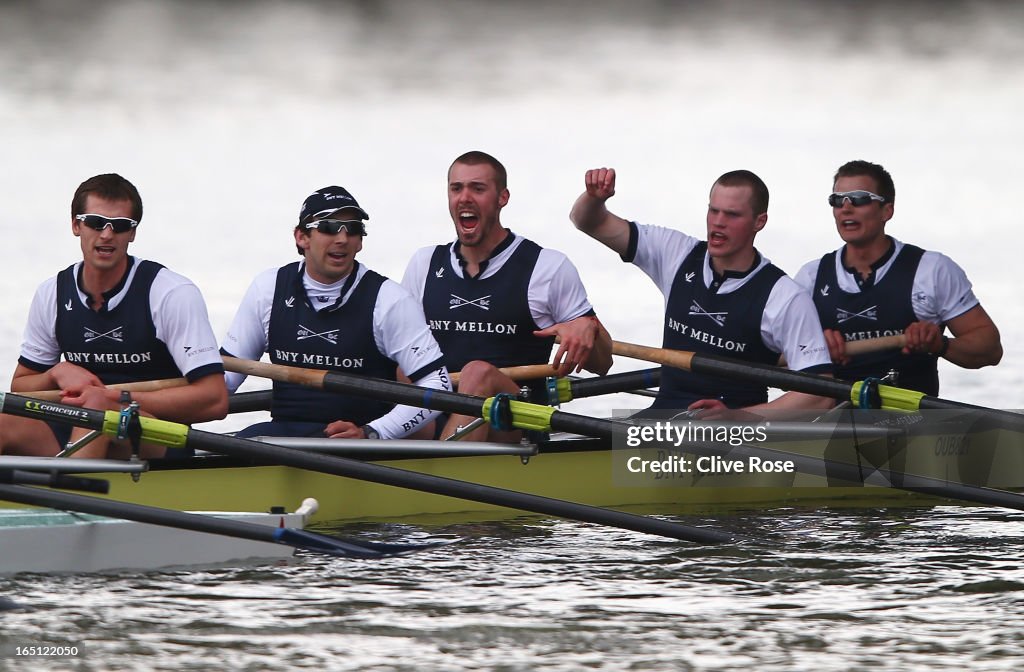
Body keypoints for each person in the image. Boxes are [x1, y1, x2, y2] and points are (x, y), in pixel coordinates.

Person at [570, 167, 834, 415]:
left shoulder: (784, 297)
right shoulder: (675, 252)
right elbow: (586, 221)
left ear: (759, 221)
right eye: (713, 211)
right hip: (663, 418)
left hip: (731, 436)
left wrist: (740, 419)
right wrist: (594, 199)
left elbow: (820, 394)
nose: (718, 223)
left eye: (732, 215)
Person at [0, 173, 228, 459]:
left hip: (155, 434)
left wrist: (115, 398)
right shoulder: (52, 293)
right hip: (77, 423)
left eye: (120, 226)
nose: (107, 234)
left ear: (132, 233)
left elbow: (214, 399)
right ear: (76, 225)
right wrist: (55, 373)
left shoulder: (170, 293)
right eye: (95, 222)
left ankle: (69, 498)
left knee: (97, 410)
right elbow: (22, 386)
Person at [401, 151, 612, 441]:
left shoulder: (547, 268)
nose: (464, 198)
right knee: (397, 365)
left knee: (477, 374)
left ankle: (431, 475)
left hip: (516, 423)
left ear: (502, 198)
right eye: (456, 188)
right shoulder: (423, 264)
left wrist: (589, 329)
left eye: (477, 188)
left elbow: (603, 364)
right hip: (436, 415)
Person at [221, 185, 450, 440]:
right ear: (301, 237)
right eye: (329, 227)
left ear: (360, 241)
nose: (342, 239)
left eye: (352, 228)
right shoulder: (268, 290)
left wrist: (373, 433)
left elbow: (437, 385)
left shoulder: (389, 300)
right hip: (285, 434)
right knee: (243, 440)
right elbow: (225, 379)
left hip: (355, 445)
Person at [794, 160, 1002, 395]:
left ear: (887, 210)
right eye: (837, 200)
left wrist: (940, 345)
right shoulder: (810, 278)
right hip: (836, 419)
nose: (846, 208)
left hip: (913, 421)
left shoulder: (932, 270)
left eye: (860, 198)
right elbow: (774, 356)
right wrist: (811, 350)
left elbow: (990, 350)